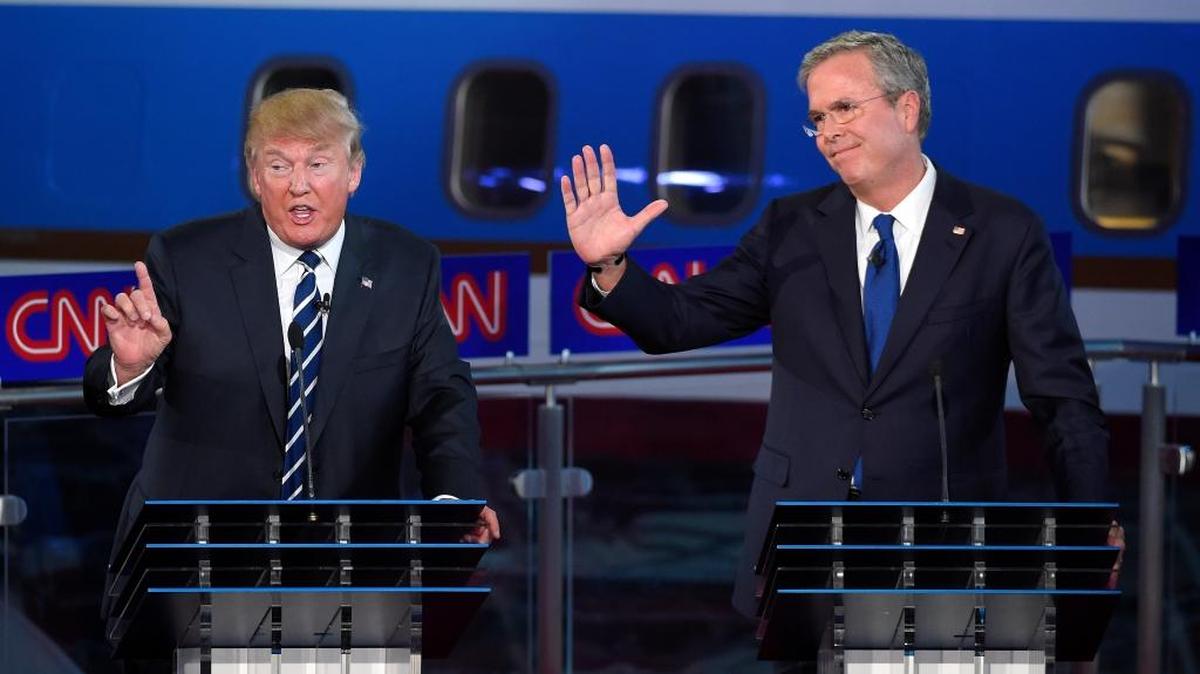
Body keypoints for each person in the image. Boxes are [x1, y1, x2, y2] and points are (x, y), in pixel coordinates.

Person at [561, 30, 1116, 617]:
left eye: (845, 108)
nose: (828, 132)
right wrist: (609, 265)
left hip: (942, 544)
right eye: (818, 117)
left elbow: (1062, 396)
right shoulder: (791, 227)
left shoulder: (1002, 231)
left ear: (907, 108)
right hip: (803, 546)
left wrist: (1090, 518)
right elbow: (680, 321)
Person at [83, 88, 500, 620]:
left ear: (354, 173)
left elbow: (443, 395)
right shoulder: (187, 259)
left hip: (349, 572)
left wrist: (451, 501)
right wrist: (132, 366)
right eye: (279, 166)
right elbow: (106, 395)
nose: (299, 186)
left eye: (318, 164)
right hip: (194, 567)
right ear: (256, 178)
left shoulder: (406, 265)